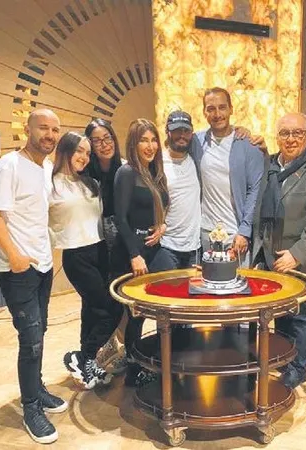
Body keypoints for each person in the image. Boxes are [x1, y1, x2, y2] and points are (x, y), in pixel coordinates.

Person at [0, 109, 67, 444]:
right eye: (43, 128)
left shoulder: (44, 167)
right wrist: (15, 256)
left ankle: (37, 388)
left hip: (41, 265)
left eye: (55, 130)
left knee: (39, 332)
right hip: (17, 269)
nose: (50, 135)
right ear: (28, 130)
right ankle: (31, 408)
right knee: (30, 340)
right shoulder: (9, 166)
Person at [252, 112, 306, 389]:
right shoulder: (270, 166)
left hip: (299, 258)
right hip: (270, 255)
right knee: (281, 315)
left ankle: (298, 368)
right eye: (285, 133)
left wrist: (296, 254)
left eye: (297, 133)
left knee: (300, 315)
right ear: (277, 137)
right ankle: (284, 358)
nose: (291, 139)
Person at [49, 131, 122, 390]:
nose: (84, 157)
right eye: (79, 150)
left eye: (88, 153)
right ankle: (83, 356)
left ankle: (87, 363)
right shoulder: (51, 184)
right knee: (109, 309)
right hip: (76, 254)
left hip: (100, 249)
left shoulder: (90, 183)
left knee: (91, 310)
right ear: (65, 151)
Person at [112, 118, 170, 387]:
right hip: (132, 252)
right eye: (143, 140)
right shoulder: (126, 173)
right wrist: (134, 255)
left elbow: (160, 208)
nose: (150, 146)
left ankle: (159, 359)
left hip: (154, 247)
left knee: (164, 303)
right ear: (133, 144)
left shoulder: (154, 172)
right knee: (136, 314)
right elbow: (121, 219)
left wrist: (162, 226)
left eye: (153, 140)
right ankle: (134, 369)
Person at [191, 87, 265, 265]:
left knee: (238, 281)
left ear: (231, 109)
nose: (217, 114)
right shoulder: (196, 142)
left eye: (222, 107)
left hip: (236, 234)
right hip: (206, 233)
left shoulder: (247, 144)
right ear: (204, 112)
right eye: (211, 109)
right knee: (208, 280)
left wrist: (244, 231)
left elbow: (255, 190)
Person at [82, 119, 127, 374]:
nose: (104, 144)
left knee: (120, 299)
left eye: (107, 138)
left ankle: (118, 350)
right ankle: (92, 353)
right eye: (97, 140)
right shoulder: (85, 175)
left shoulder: (125, 169)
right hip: (93, 242)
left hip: (120, 241)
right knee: (97, 301)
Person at [160, 111, 202, 269]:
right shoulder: (158, 163)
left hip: (194, 248)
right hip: (167, 246)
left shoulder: (196, 159)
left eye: (186, 131)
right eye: (177, 130)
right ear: (168, 131)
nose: (182, 136)